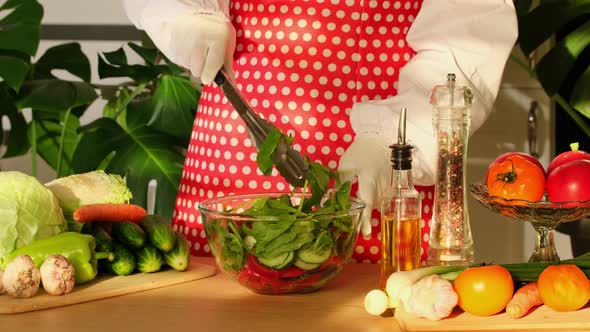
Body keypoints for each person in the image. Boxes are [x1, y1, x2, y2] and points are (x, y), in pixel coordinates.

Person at [123, 0, 518, 264]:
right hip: (231, 142)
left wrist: (393, 143)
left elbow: (464, 42)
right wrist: (181, 15)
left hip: (385, 168)